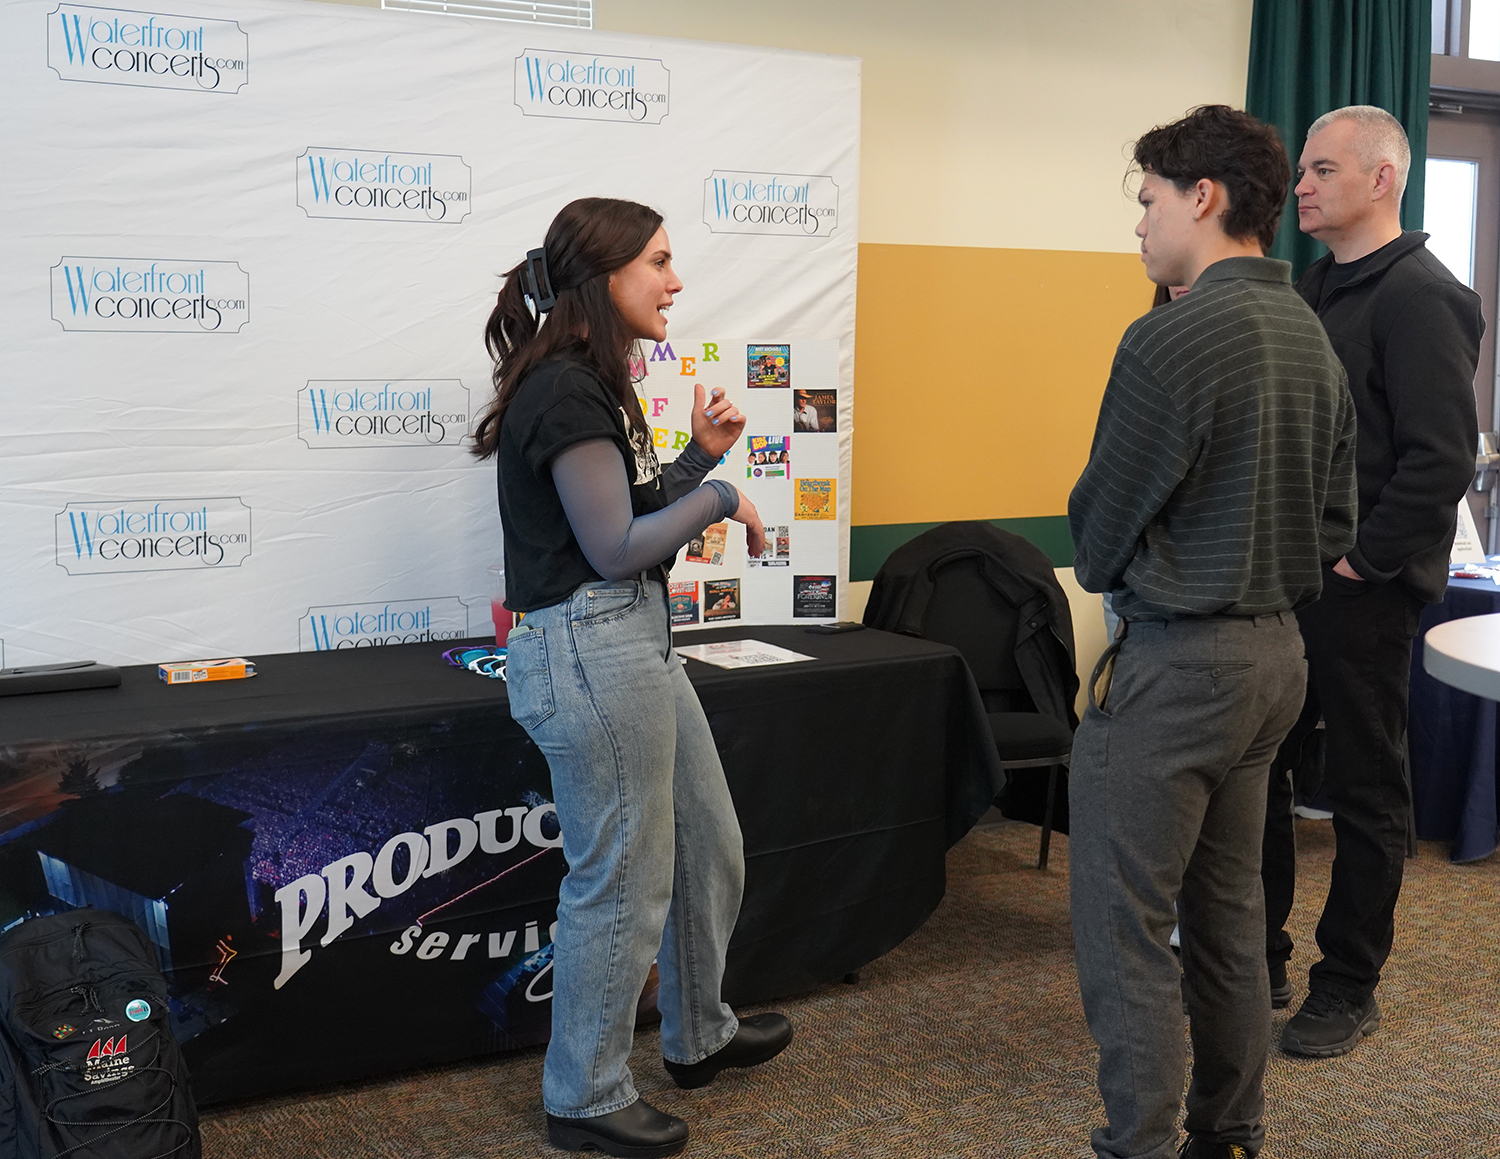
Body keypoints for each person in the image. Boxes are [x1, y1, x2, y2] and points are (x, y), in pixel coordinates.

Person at [470, 197, 794, 1158]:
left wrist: (700, 454)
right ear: (604, 276)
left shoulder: (595, 382)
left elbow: (620, 513)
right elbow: (614, 547)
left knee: (709, 839)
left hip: (633, 642)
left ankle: (698, 1036)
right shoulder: (564, 388)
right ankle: (584, 1093)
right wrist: (722, 494)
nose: (675, 280)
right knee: (622, 880)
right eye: (657, 261)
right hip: (592, 647)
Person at [1068, 105, 1357, 1159]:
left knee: (1123, 923)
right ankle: (1228, 1134)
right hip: (1277, 661)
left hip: (1181, 669)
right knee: (1230, 919)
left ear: (1203, 197)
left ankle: (1140, 1144)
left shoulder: (1168, 339)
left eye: (1148, 200)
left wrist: (1159, 569)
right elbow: (1338, 524)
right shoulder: (1310, 335)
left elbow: (1097, 538)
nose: (1139, 224)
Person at [1263, 106, 1483, 1057]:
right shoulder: (1314, 286)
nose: (1300, 185)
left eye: (1320, 169)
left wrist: (1362, 563)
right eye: (1302, 171)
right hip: (1283, 581)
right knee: (1257, 772)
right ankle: (1252, 951)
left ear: (1382, 179)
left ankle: (1347, 981)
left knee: (1363, 789)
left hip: (1360, 591)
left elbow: (1441, 460)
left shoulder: (1423, 295)